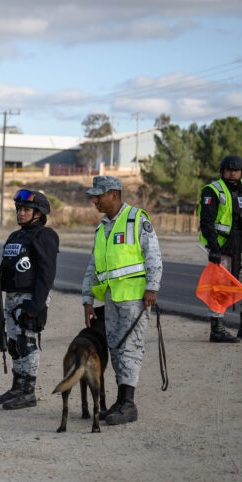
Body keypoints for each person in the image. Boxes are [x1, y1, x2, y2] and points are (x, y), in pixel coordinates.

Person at [81, 176, 163, 426]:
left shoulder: (137, 219)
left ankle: (129, 403)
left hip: (134, 298)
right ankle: (121, 401)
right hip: (110, 299)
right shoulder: (102, 227)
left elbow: (154, 256)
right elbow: (93, 266)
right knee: (116, 348)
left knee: (131, 347)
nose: (94, 200)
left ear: (113, 194)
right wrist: (87, 299)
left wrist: (152, 288)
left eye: (99, 195)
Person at [0, 189, 59, 410]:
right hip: (12, 298)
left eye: (26, 210)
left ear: (39, 213)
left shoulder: (45, 235)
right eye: (19, 209)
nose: (21, 213)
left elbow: (47, 273)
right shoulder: (16, 236)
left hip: (30, 298)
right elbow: (7, 265)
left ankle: (28, 392)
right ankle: (17, 388)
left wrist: (36, 306)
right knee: (14, 344)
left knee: (27, 343)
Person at [198, 154, 242, 342]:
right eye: (228, 170)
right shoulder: (212, 191)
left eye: (236, 170)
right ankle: (217, 330)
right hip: (222, 247)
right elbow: (206, 222)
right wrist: (213, 248)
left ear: (241, 173)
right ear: (222, 171)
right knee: (221, 289)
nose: (232, 173)